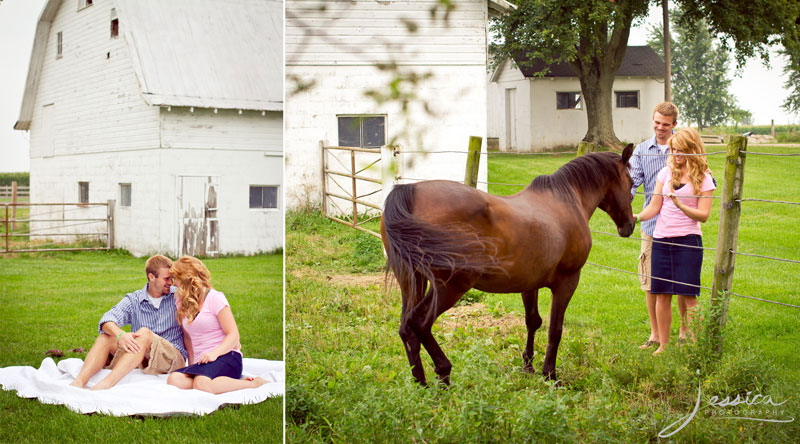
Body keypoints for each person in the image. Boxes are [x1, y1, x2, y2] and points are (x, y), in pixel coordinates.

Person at [634, 128, 716, 355]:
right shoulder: (665, 174)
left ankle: (693, 343)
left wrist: (680, 204)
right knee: (662, 294)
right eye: (674, 149)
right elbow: (654, 206)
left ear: (693, 149)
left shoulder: (704, 178)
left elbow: (704, 215)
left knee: (688, 295)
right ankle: (663, 345)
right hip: (661, 240)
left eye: (682, 149)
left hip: (688, 242)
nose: (677, 154)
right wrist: (637, 217)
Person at [70, 255, 187, 390]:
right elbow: (107, 320)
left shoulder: (178, 296)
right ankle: (79, 382)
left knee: (144, 333)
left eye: (172, 279)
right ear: (151, 277)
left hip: (172, 358)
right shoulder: (134, 299)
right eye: (166, 279)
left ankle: (106, 384)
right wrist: (121, 335)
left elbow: (202, 295)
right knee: (107, 336)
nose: (171, 283)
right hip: (141, 356)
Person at [166, 256, 267, 393]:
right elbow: (188, 338)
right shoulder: (181, 303)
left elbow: (233, 334)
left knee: (201, 384)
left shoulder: (215, 298)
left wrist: (214, 353)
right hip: (203, 362)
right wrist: (192, 364)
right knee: (174, 379)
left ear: (186, 279)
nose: (174, 284)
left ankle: (254, 384)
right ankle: (220, 383)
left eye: (175, 278)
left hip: (225, 355)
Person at [628, 102, 679, 350]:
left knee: (681, 281)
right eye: (657, 122)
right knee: (650, 281)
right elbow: (632, 182)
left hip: (679, 225)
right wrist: (623, 202)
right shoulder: (640, 150)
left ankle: (685, 332)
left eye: (666, 124)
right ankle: (655, 334)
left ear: (674, 125)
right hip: (651, 225)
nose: (660, 128)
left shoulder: (682, 148)